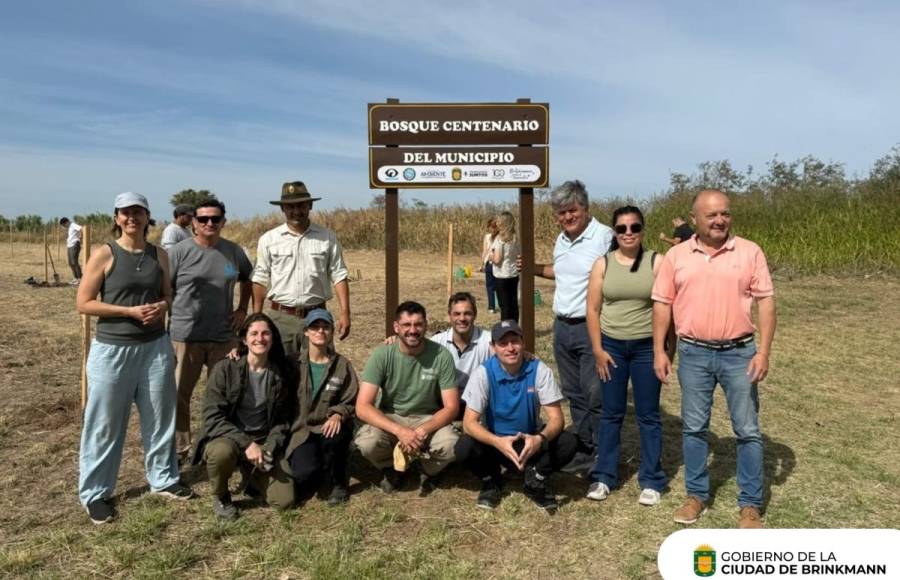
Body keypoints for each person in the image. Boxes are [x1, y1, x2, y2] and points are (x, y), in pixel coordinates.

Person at [652, 189, 776, 529]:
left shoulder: (749, 252)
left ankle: (750, 504)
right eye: (711, 215)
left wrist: (763, 351)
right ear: (694, 219)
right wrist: (660, 349)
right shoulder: (676, 255)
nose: (720, 220)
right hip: (693, 353)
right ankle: (696, 495)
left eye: (725, 213)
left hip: (740, 354)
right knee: (694, 428)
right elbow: (662, 304)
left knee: (747, 430)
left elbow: (766, 302)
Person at [76, 191, 193, 525]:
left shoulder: (160, 255)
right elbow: (84, 302)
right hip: (113, 350)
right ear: (116, 218)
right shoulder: (104, 253)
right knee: (105, 423)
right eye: (125, 212)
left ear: (147, 217)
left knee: (160, 416)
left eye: (138, 212)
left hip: (155, 347)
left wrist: (163, 306)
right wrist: (127, 311)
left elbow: (167, 294)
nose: (132, 218)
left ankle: (163, 478)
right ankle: (96, 493)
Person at [584, 206, 673, 506]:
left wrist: (666, 350)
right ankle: (604, 476)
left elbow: (668, 308)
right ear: (615, 232)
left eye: (634, 227)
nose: (628, 233)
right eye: (622, 228)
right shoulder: (603, 264)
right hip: (612, 347)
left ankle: (652, 479)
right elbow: (592, 310)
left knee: (648, 414)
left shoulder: (657, 262)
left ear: (643, 230)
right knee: (612, 413)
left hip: (647, 347)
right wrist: (598, 350)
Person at [524, 180, 614, 471]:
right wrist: (533, 268)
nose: (567, 217)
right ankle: (584, 448)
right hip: (562, 327)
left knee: (595, 393)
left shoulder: (605, 237)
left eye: (572, 210)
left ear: (586, 208)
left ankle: (603, 452)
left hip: (592, 326)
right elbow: (562, 272)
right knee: (573, 392)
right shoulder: (561, 240)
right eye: (561, 213)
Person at [455, 320, 578, 511]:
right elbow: (469, 423)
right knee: (464, 447)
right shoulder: (483, 373)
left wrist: (539, 439)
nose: (510, 348)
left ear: (523, 343)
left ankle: (536, 477)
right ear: (493, 348)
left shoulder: (539, 369)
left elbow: (557, 418)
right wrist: (497, 442)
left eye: (515, 341)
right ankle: (491, 480)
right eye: (503, 343)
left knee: (569, 443)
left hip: (529, 441)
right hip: (496, 442)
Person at [168, 199, 253, 462]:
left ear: (223, 222)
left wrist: (242, 308)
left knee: (223, 395)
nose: (209, 223)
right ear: (193, 222)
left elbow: (248, 278)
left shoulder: (233, 251)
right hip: (185, 337)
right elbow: (164, 289)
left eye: (215, 219)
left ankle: (217, 446)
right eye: (203, 219)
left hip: (223, 337)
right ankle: (179, 451)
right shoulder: (179, 252)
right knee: (178, 395)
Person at [193, 313, 297, 520]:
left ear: (273, 339)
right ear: (244, 339)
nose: (260, 338)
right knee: (221, 452)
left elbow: (283, 420)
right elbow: (213, 418)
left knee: (285, 500)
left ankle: (253, 476)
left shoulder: (281, 373)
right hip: (230, 437)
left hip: (263, 438)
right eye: (254, 334)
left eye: (266, 333)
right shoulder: (225, 368)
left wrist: (270, 448)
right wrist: (247, 444)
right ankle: (221, 496)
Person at [355, 301, 459, 495]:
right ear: (396, 327)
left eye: (418, 324)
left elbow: (452, 407)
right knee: (367, 442)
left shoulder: (441, 356)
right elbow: (362, 407)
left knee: (452, 444)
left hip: (427, 417)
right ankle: (391, 467)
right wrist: (400, 431)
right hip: (392, 415)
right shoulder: (382, 354)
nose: (413, 330)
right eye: (406, 325)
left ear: (426, 325)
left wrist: (421, 431)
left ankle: (428, 468)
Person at [252, 182, 351, 351]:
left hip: (317, 318)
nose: (296, 211)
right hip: (280, 320)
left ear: (310, 205)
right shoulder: (269, 239)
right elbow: (260, 279)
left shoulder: (327, 237)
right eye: (290, 207)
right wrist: (257, 318)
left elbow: (339, 275)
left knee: (320, 365)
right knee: (279, 366)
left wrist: (345, 313)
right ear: (282, 208)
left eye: (301, 205)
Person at [284, 309, 359, 506]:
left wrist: (338, 414)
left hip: (329, 425)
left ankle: (338, 482)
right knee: (304, 474)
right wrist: (238, 351)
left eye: (325, 327)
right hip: (302, 429)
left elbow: (352, 399)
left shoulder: (342, 365)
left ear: (332, 331)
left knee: (335, 440)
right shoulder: (292, 363)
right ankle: (319, 465)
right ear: (306, 331)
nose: (320, 331)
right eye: (315, 327)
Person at [490, 211, 521, 323]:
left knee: (504, 305)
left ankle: (506, 328)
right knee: (513, 304)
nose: (497, 223)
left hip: (502, 275)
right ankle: (515, 325)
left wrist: (491, 257)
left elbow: (497, 259)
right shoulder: (516, 238)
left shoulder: (500, 240)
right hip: (513, 273)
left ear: (504, 223)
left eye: (499, 221)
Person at [477, 218, 498, 313]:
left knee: (490, 286)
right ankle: (502, 304)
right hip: (499, 264)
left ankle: (491, 307)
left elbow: (484, 251)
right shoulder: (502, 237)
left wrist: (481, 265)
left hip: (490, 263)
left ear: (490, 227)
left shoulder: (487, 237)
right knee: (499, 285)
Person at [59, 217, 83, 285]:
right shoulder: (70, 227)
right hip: (69, 246)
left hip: (74, 245)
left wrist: (81, 237)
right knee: (70, 263)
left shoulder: (73, 225)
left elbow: (82, 228)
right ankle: (76, 277)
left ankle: (80, 278)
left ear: (66, 222)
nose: (64, 226)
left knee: (74, 262)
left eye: (64, 225)